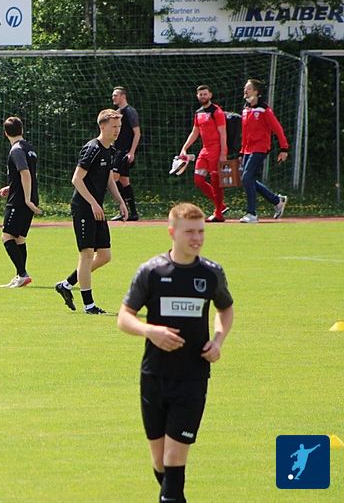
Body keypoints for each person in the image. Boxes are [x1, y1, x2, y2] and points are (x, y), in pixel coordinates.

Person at [117, 202, 234, 503]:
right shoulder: (152, 271)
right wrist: (150, 331)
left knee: (174, 458)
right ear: (172, 232)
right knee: (160, 460)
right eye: (189, 232)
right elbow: (124, 318)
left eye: (201, 232)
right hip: (154, 375)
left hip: (192, 377)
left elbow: (225, 309)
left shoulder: (211, 273)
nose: (197, 238)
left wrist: (218, 341)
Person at [54, 109, 128, 315]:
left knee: (104, 255)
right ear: (102, 126)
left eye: (119, 126)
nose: (117, 130)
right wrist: (94, 203)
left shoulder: (110, 150)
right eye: (114, 126)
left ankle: (66, 285)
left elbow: (108, 179)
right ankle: (89, 305)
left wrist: (120, 201)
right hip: (84, 207)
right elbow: (76, 179)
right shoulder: (92, 148)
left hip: (96, 208)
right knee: (87, 254)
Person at [0, 116, 41, 288]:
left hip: (20, 201)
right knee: (19, 238)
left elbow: (25, 173)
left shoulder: (16, 150)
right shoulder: (29, 148)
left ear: (5, 133)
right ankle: (20, 275)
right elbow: (27, 176)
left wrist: (27, 199)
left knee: (7, 236)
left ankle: (22, 274)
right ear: (21, 130)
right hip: (27, 196)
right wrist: (11, 187)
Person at [239, 78, 290, 223]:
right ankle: (277, 201)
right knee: (248, 179)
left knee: (247, 178)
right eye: (245, 88)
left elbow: (278, 129)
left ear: (256, 92)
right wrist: (241, 152)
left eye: (249, 88)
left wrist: (284, 148)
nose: (245, 90)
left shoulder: (265, 110)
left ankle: (252, 214)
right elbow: (245, 133)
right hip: (247, 149)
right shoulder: (245, 110)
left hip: (260, 148)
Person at [177, 85, 228, 222]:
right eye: (200, 94)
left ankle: (218, 213)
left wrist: (223, 153)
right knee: (198, 180)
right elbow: (195, 132)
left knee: (216, 182)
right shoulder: (198, 112)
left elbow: (223, 133)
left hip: (216, 149)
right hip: (205, 150)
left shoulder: (216, 111)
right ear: (197, 96)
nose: (203, 96)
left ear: (210, 95)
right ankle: (221, 206)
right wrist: (184, 148)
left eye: (205, 94)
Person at [110, 86, 142, 221]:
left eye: (115, 95)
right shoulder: (117, 112)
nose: (113, 97)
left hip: (124, 152)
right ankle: (132, 213)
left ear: (123, 96)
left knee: (112, 179)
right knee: (124, 181)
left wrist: (132, 152)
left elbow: (137, 133)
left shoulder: (130, 111)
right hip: (117, 151)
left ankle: (123, 211)